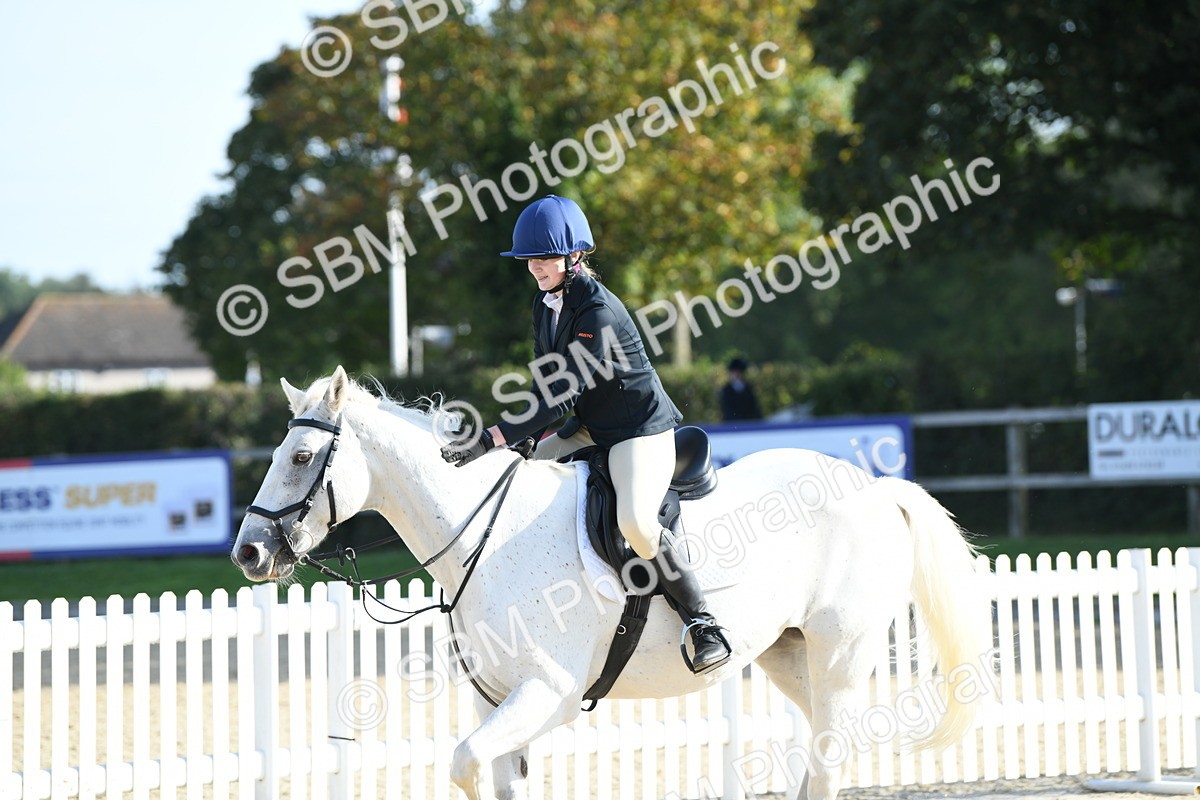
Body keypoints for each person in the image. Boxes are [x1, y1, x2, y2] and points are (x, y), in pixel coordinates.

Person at [439, 194, 732, 674]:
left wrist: (492, 436)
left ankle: (701, 622)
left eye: (545, 257)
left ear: (574, 256)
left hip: (637, 432)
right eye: (529, 258)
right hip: (589, 428)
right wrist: (524, 444)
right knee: (514, 482)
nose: (535, 267)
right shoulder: (545, 303)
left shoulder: (598, 311)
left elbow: (558, 396)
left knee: (636, 521)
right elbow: (544, 381)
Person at [720, 357, 762, 422]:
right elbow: (727, 411)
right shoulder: (726, 390)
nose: (737, 374)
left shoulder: (748, 388)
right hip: (732, 426)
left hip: (748, 425)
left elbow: (754, 409)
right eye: (735, 372)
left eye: (739, 372)